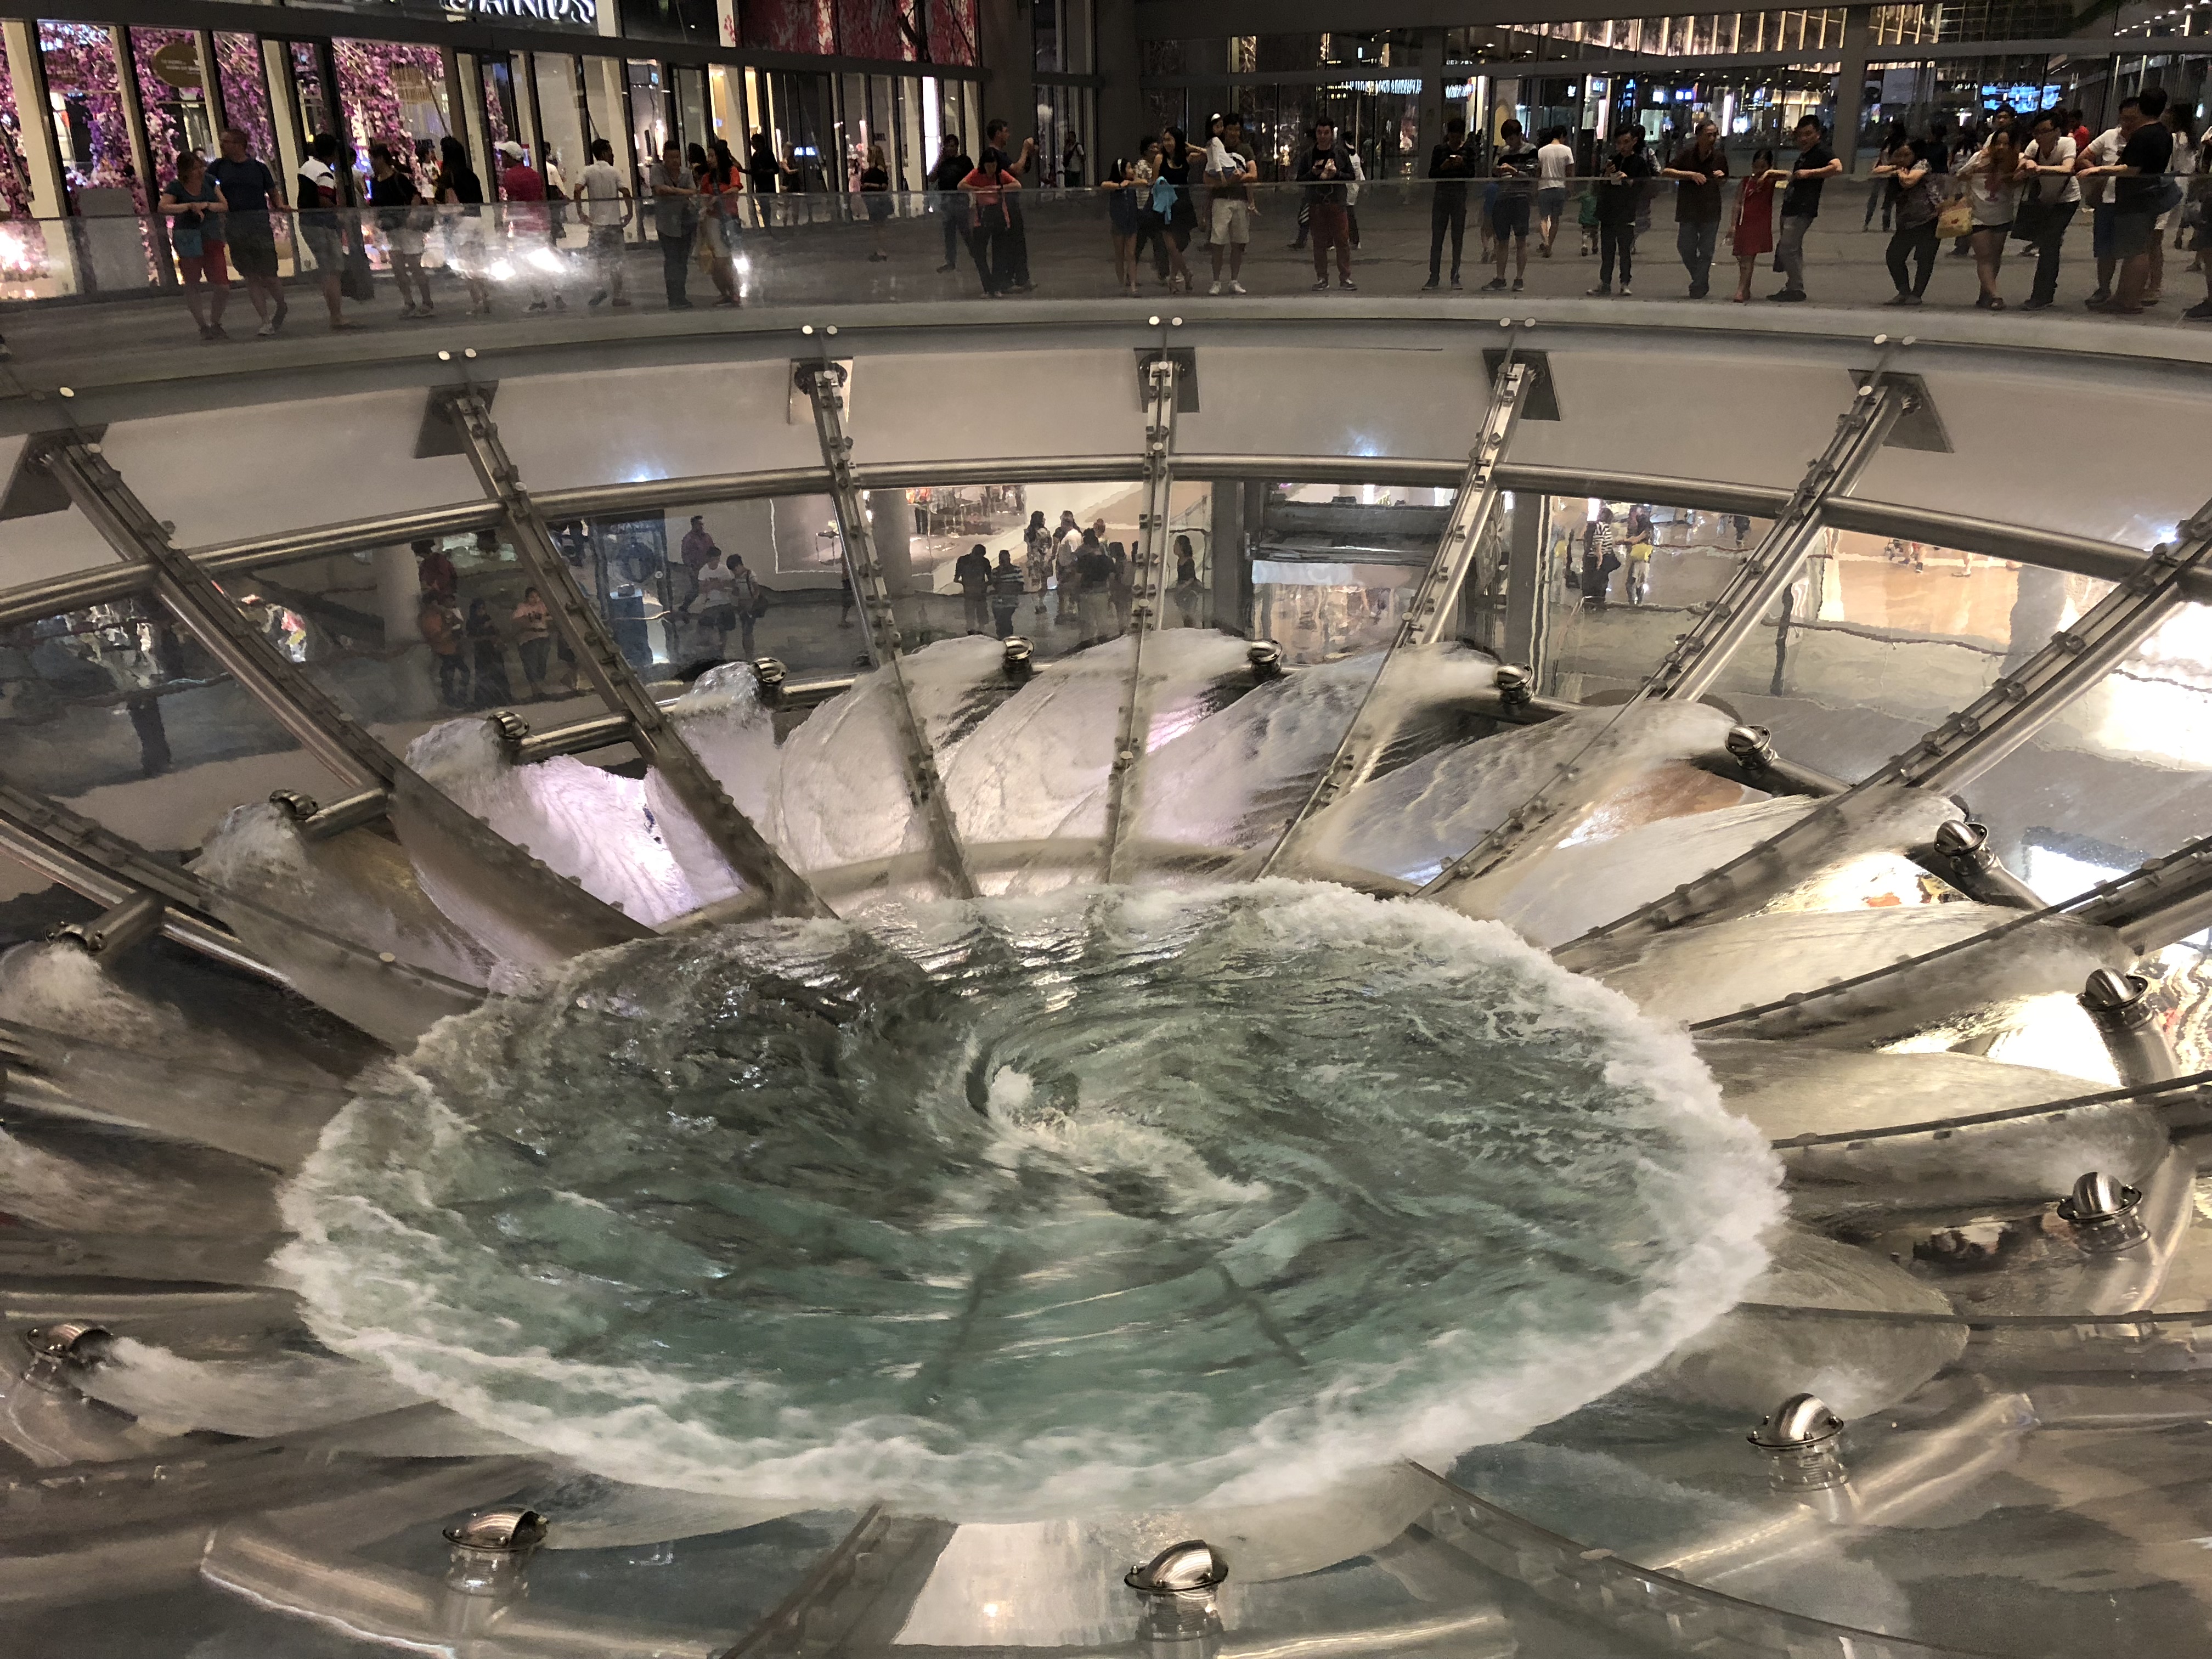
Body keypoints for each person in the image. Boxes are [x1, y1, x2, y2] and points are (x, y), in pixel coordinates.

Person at [2084, 91, 2174, 314]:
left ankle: (2129, 300)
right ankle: (2124, 296)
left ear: (2141, 108)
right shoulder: (2163, 133)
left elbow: (2132, 169)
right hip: (2147, 196)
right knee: (2137, 248)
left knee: (2135, 251)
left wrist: (2100, 170)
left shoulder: (2144, 134)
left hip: (2136, 197)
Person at [207, 127, 284, 336]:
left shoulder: (258, 168)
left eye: (226, 142)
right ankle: (265, 319)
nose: (223, 146)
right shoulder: (218, 167)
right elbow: (208, 188)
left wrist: (280, 205)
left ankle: (281, 304)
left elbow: (272, 192)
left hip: (259, 226)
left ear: (239, 144)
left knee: (269, 274)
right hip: (235, 226)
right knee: (250, 275)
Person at [158, 150, 229, 342]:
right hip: (188, 237)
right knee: (192, 282)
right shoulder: (175, 187)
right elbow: (163, 207)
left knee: (223, 285)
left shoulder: (210, 181)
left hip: (211, 235)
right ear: (185, 171)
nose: (200, 171)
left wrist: (207, 205)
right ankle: (203, 325)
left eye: (201, 167)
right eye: (195, 168)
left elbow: (224, 205)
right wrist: (189, 206)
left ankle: (215, 321)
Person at [1957, 126, 2029, 309]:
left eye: (2007, 144)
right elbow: (1960, 175)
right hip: (1978, 214)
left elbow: (2020, 177)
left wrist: (2013, 172)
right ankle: (1996, 296)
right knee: (1984, 256)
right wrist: (1977, 169)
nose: (2001, 147)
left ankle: (1985, 294)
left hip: (2002, 215)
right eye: (1998, 143)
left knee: (1995, 257)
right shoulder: (1979, 157)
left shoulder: (2018, 160)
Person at [1770, 115, 1839, 302]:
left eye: (1808, 134)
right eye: (1801, 135)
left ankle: (1795, 287)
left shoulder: (1821, 151)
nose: (1803, 139)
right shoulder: (1806, 154)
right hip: (1792, 205)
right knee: (1793, 248)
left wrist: (1810, 173)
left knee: (1788, 248)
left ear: (1818, 134)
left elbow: (1837, 167)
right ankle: (1794, 286)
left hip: (1803, 208)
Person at [2015, 111, 2078, 311]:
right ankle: (2046, 290)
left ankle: (2041, 295)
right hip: (2043, 200)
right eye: (2037, 132)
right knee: (2048, 243)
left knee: (2049, 244)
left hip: (2067, 200)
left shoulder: (2067, 144)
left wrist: (2039, 168)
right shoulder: (2034, 146)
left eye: (2045, 131)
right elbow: (2021, 164)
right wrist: (2026, 162)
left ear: (2057, 131)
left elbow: (2068, 168)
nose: (2040, 136)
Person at [1659, 119, 1728, 298]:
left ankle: (1698, 285)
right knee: (1685, 247)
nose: (1712, 139)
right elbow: (1667, 171)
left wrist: (1721, 177)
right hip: (1688, 209)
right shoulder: (1687, 154)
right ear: (1699, 136)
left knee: (1706, 250)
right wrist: (1690, 175)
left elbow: (1724, 182)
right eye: (1709, 135)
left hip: (1711, 209)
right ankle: (1701, 279)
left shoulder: (1719, 157)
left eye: (1715, 135)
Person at [296, 133, 358, 331]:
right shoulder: (325, 173)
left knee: (326, 270)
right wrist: (339, 213)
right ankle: (337, 316)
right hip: (323, 226)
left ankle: (335, 314)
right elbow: (324, 200)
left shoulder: (307, 167)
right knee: (333, 271)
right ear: (333, 153)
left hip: (307, 223)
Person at [1872, 136, 1939, 306]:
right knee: (1894, 256)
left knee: (1924, 258)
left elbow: (1909, 181)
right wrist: (1896, 168)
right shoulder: (1900, 167)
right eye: (1899, 155)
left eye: (1906, 155)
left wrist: (1899, 173)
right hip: (1906, 220)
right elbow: (1876, 171)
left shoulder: (1922, 164)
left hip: (1928, 218)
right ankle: (1904, 291)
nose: (1902, 159)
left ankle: (1917, 294)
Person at [368, 143, 431, 319]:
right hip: (392, 231)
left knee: (414, 266)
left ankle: (427, 301)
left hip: (408, 230)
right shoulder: (375, 182)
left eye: (373, 159)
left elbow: (416, 196)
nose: (371, 163)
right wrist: (377, 221)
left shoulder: (399, 178)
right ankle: (409, 301)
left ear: (381, 159)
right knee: (398, 268)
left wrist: (412, 215)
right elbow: (377, 205)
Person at [1589, 127, 1654, 296]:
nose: (1622, 147)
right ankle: (1605, 282)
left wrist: (1629, 180)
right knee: (1607, 251)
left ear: (1634, 142)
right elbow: (1601, 185)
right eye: (1619, 143)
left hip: (1626, 211)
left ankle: (1625, 282)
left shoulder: (1639, 162)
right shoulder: (1613, 160)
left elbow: (1644, 186)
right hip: (1609, 211)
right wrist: (1606, 174)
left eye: (1626, 142)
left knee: (1625, 250)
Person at [496, 140, 559, 313]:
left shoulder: (510, 177)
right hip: (540, 224)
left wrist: (506, 224)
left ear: (511, 157)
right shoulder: (534, 174)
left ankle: (539, 299)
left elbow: (513, 203)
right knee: (544, 260)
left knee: (526, 263)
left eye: (504, 155)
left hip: (524, 228)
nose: (502, 159)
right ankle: (556, 292)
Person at [1298, 117, 1357, 291]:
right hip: (1317, 204)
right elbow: (1300, 180)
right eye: (1319, 133)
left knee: (1342, 241)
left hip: (1337, 203)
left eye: (1326, 133)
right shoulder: (1308, 155)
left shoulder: (1340, 153)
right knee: (1319, 243)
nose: (1322, 136)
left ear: (1332, 134)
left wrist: (1336, 174)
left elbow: (1351, 176)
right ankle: (1322, 278)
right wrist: (1313, 173)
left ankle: (1345, 278)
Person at [436, 134, 492, 316]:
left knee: (466, 264)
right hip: (477, 220)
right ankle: (485, 297)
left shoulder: (448, 176)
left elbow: (439, 200)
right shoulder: (471, 174)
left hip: (461, 222)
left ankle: (477, 301)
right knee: (478, 261)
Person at [982, 117, 1039, 291]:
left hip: (1010, 203)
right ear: (998, 134)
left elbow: (1019, 170)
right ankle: (1005, 280)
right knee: (1006, 243)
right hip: (1002, 205)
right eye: (1006, 132)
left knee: (1017, 241)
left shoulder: (1001, 155)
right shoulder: (994, 155)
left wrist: (1028, 156)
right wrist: (1025, 150)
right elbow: (1016, 170)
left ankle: (1021, 277)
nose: (1009, 135)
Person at [1205, 110, 1256, 295]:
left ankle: (1234, 280)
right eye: (1231, 129)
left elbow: (1253, 174)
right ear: (1223, 129)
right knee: (1218, 243)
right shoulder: (1215, 147)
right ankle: (1216, 281)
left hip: (1240, 201)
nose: (1234, 133)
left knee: (1238, 243)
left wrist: (1239, 179)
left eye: (1237, 130)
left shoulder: (1245, 150)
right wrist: (1227, 182)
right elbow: (1207, 178)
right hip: (1221, 200)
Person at [579, 136, 633, 309]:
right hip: (614, 224)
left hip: (597, 225)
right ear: (604, 153)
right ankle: (618, 296)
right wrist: (630, 212)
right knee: (617, 260)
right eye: (610, 151)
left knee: (597, 260)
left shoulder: (587, 171)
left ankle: (599, 288)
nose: (613, 155)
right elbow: (626, 192)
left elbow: (577, 189)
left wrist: (580, 212)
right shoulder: (614, 172)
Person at [1487, 119, 1539, 292]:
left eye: (1511, 138)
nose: (1509, 143)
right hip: (1503, 197)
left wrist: (1514, 171)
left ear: (1519, 135)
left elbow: (1532, 174)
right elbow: (1495, 171)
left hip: (1520, 198)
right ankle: (1500, 278)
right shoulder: (1503, 151)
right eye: (1506, 139)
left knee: (1521, 240)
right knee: (1502, 240)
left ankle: (1519, 278)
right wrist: (1497, 171)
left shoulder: (1530, 150)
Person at [1424, 116, 1475, 290]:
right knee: (1437, 238)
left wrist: (1462, 165)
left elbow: (1472, 174)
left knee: (1457, 239)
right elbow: (1432, 174)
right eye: (1453, 136)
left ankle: (1455, 275)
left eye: (1458, 137)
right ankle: (1434, 277)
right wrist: (1443, 167)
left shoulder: (1468, 150)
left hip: (1459, 197)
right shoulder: (1439, 150)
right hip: (1441, 196)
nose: (1455, 140)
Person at [960, 149, 1019, 296]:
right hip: (982, 217)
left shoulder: (1000, 174)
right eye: (988, 166)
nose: (991, 169)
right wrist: (977, 189)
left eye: (994, 165)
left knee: (999, 254)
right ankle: (988, 286)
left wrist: (999, 188)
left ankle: (996, 287)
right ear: (984, 165)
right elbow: (961, 185)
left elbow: (1017, 185)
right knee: (979, 253)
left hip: (999, 216)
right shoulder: (976, 174)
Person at [650, 139, 699, 310]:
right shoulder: (657, 170)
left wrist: (672, 191)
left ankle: (681, 295)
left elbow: (693, 191)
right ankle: (674, 297)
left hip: (685, 222)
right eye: (671, 158)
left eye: (677, 157)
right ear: (665, 157)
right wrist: (680, 193)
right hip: (666, 224)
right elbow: (659, 189)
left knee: (682, 261)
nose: (675, 161)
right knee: (672, 260)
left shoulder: (686, 173)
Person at [1153, 126, 1197, 294]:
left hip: (1183, 203)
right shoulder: (1160, 159)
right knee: (1171, 246)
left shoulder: (1186, 158)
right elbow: (1154, 182)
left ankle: (1173, 280)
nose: (1167, 143)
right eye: (1165, 140)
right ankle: (1186, 273)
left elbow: (1209, 154)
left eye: (1170, 139)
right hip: (1166, 205)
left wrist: (1191, 147)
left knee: (1180, 244)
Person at [703, 139, 745, 304]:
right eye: (708, 156)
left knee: (726, 259)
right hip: (713, 220)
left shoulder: (731, 171)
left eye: (712, 156)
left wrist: (719, 197)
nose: (709, 159)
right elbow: (702, 196)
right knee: (718, 261)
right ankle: (727, 291)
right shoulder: (708, 177)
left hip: (728, 219)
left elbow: (736, 188)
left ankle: (734, 290)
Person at [930, 132, 972, 273]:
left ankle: (975, 255)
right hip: (946, 201)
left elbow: (972, 178)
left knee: (965, 230)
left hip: (960, 200)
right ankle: (950, 262)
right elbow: (932, 178)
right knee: (949, 232)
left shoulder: (964, 161)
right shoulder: (943, 163)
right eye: (947, 146)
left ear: (957, 147)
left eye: (953, 146)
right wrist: (940, 160)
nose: (950, 149)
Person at [1102, 157, 1143, 295]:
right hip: (1118, 223)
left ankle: (1133, 286)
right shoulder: (1114, 185)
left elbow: (1144, 182)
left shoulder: (1132, 184)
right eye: (1129, 168)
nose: (1132, 170)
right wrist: (1119, 186)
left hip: (1131, 222)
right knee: (1119, 254)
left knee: (1131, 254)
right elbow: (1104, 185)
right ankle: (1122, 285)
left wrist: (1130, 184)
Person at [421, 596, 467, 707]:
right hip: (443, 650)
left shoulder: (441, 614)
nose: (437, 606)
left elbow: (458, 623)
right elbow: (437, 637)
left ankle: (460, 699)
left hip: (452, 647)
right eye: (434, 604)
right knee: (449, 676)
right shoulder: (427, 619)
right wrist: (450, 629)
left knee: (461, 673)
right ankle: (452, 701)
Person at [465, 599, 511, 707]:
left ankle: (502, 698)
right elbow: (472, 637)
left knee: (498, 674)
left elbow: (496, 632)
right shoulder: (471, 622)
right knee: (484, 676)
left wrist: (495, 632)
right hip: (482, 652)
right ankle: (485, 700)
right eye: (479, 609)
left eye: (483, 608)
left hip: (493, 651)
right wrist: (485, 633)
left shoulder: (488, 618)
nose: (481, 611)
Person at [1537, 125, 1574, 256]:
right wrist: (1570, 188)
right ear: (1562, 136)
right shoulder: (1567, 151)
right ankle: (1550, 245)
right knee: (1555, 219)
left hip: (1544, 187)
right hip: (1559, 187)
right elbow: (1569, 172)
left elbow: (1538, 171)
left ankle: (1545, 241)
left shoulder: (1542, 151)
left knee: (1543, 218)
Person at [747, 131, 797, 227]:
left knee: (768, 207)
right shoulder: (755, 157)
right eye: (752, 144)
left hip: (767, 186)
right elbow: (754, 171)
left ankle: (769, 225)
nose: (754, 146)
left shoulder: (768, 153)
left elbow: (775, 169)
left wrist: (764, 172)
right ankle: (767, 225)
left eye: (755, 143)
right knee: (763, 207)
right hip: (759, 185)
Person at [1074, 529, 1114, 646]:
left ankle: (1089, 644)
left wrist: (1075, 592)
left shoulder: (1083, 560)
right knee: (1103, 621)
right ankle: (1103, 642)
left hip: (1086, 594)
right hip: (1102, 593)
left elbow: (1078, 578)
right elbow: (1111, 577)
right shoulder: (1108, 560)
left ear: (1087, 545)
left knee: (1088, 622)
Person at [1865, 120, 1908, 229]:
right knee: (1874, 197)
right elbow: (1881, 156)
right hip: (1881, 172)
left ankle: (1886, 224)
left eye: (1891, 128)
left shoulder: (1902, 144)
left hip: (1892, 175)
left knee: (1889, 199)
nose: (1888, 129)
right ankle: (1867, 221)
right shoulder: (1887, 141)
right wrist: (1875, 167)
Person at [511, 586, 551, 697]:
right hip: (529, 638)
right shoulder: (522, 607)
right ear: (527, 598)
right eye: (532, 597)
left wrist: (543, 617)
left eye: (537, 596)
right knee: (531, 664)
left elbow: (553, 616)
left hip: (543, 636)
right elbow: (515, 620)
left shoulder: (543, 605)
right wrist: (529, 619)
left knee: (542, 663)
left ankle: (540, 687)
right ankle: (535, 689)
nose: (535, 599)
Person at [859, 141, 891, 262]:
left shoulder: (879, 170)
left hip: (877, 202)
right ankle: (879, 250)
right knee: (877, 227)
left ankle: (882, 250)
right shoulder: (873, 169)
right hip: (872, 202)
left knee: (879, 227)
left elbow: (883, 186)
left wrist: (869, 185)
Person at [679, 514, 719, 606]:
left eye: (702, 524)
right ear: (694, 525)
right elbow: (685, 555)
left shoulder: (707, 537)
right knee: (696, 590)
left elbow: (713, 550)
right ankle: (684, 607)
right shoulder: (689, 539)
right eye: (700, 524)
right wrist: (691, 569)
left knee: (710, 588)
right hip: (696, 569)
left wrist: (715, 563)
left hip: (708, 567)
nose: (702, 526)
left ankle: (708, 606)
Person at [954, 541, 993, 633]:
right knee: (974, 613)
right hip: (976, 593)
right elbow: (991, 579)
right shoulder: (983, 561)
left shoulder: (964, 560)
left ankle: (975, 630)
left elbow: (956, 579)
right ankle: (976, 630)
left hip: (975, 593)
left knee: (974, 613)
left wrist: (966, 584)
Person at [989, 550, 1024, 638]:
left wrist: (1008, 588)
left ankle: (1008, 636)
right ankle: (1002, 637)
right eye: (1002, 560)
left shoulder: (1016, 570)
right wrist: (1001, 572)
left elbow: (1020, 586)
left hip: (1011, 600)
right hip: (998, 601)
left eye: (1007, 560)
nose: (1005, 562)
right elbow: (997, 586)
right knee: (999, 620)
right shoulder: (996, 571)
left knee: (1006, 618)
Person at [415, 537, 458, 604]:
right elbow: (421, 580)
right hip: (433, 598)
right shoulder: (423, 565)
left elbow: (445, 575)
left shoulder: (438, 559)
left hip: (443, 596)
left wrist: (435, 586)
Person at [1173, 533, 1203, 626]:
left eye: (1176, 544)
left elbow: (1191, 578)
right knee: (1183, 612)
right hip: (1182, 588)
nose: (1174, 547)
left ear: (1182, 547)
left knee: (1190, 613)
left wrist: (1182, 587)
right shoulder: (1179, 561)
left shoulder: (1189, 561)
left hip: (1190, 589)